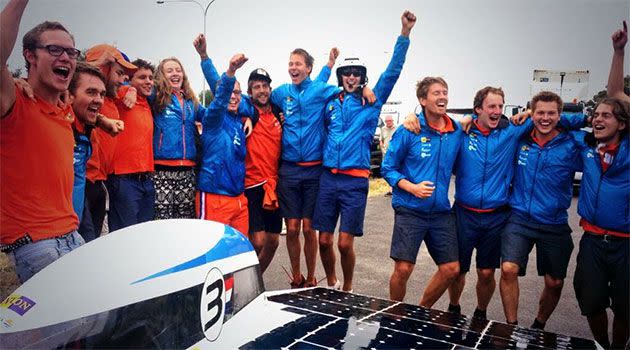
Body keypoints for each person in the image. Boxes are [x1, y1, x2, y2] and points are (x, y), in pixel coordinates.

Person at [314, 10, 416, 292]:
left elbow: (393, 70)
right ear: (340, 77)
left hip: (355, 180)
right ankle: (331, 282)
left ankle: (347, 286)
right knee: (323, 241)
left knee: (345, 243)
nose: (350, 77)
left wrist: (404, 33)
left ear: (362, 77)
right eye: (346, 73)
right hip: (327, 178)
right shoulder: (330, 102)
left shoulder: (372, 101)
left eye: (356, 73)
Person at [0, 0, 83, 282]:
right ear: (30, 56)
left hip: (72, 236)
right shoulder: (14, 101)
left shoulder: (65, 109)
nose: (66, 58)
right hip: (33, 245)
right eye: (54, 49)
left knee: (105, 319)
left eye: (71, 52)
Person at [500, 91, 581, 329]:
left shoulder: (572, 143)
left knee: (555, 282)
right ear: (531, 114)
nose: (545, 118)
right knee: (508, 269)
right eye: (540, 113)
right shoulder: (520, 140)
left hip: (554, 222)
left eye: (551, 113)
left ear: (560, 115)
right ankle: (511, 327)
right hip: (519, 218)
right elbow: (493, 127)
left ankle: (539, 325)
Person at [381, 77, 463, 306]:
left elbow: (482, 119)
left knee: (451, 269)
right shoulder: (408, 130)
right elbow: (387, 167)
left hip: (440, 212)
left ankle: (421, 311)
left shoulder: (456, 130)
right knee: (403, 268)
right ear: (423, 100)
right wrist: (411, 187)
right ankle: (395, 313)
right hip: (410, 210)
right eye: (436, 93)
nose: (443, 97)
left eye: (445, 92)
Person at [571, 23, 629, 348]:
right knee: (591, 301)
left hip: (626, 245)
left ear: (622, 124)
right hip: (592, 240)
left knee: (626, 308)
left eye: (607, 115)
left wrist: (618, 53)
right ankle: (601, 346)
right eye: (596, 113)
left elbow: (616, 95)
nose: (598, 117)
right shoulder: (588, 151)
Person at [270, 47, 342, 288]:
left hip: (314, 171)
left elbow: (347, 91)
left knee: (309, 228)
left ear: (308, 68)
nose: (293, 68)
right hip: (289, 170)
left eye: (298, 64)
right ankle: (297, 277)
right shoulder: (281, 93)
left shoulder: (320, 90)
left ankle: (312, 278)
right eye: (290, 63)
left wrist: (364, 87)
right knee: (291, 228)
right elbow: (258, 103)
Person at [83, 44, 135, 240]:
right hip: (82, 180)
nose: (123, 80)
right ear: (103, 69)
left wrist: (131, 90)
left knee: (96, 239)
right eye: (119, 73)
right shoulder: (77, 97)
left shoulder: (113, 98)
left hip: (100, 181)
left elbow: (135, 86)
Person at [196, 54, 250, 235]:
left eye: (238, 93)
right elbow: (220, 98)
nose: (234, 97)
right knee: (211, 254)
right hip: (215, 197)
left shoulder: (238, 120)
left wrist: (251, 116)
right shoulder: (213, 118)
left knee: (239, 254)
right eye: (231, 92)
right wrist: (231, 70)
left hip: (239, 200)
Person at [243, 68, 283, 274]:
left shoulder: (278, 112)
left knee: (273, 241)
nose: (261, 90)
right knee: (257, 242)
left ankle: (255, 283)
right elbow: (225, 91)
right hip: (251, 185)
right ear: (250, 92)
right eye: (256, 87)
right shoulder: (246, 111)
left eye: (265, 86)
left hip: (273, 184)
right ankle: (243, 283)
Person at [108, 59, 156, 231]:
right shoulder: (122, 95)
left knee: (143, 235)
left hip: (147, 180)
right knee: (124, 236)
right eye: (142, 77)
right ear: (129, 79)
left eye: (151, 77)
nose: (148, 81)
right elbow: (111, 88)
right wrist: (130, 88)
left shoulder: (147, 102)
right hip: (124, 179)